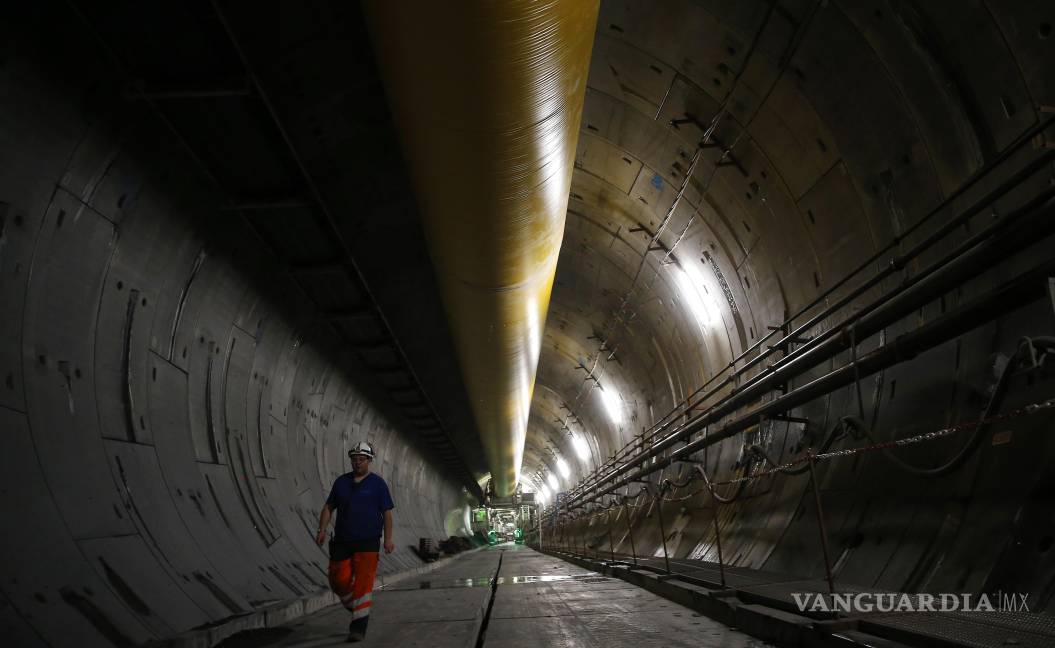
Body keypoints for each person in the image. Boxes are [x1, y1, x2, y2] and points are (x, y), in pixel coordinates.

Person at [316, 441, 395, 642]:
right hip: (343, 539)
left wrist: (388, 539)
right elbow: (328, 507)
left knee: (363, 583)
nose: (357, 463)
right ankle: (357, 606)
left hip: (368, 541)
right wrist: (322, 529)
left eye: (361, 459)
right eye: (354, 459)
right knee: (338, 580)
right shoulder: (341, 482)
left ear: (369, 461)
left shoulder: (378, 484)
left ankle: (358, 627)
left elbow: (387, 513)